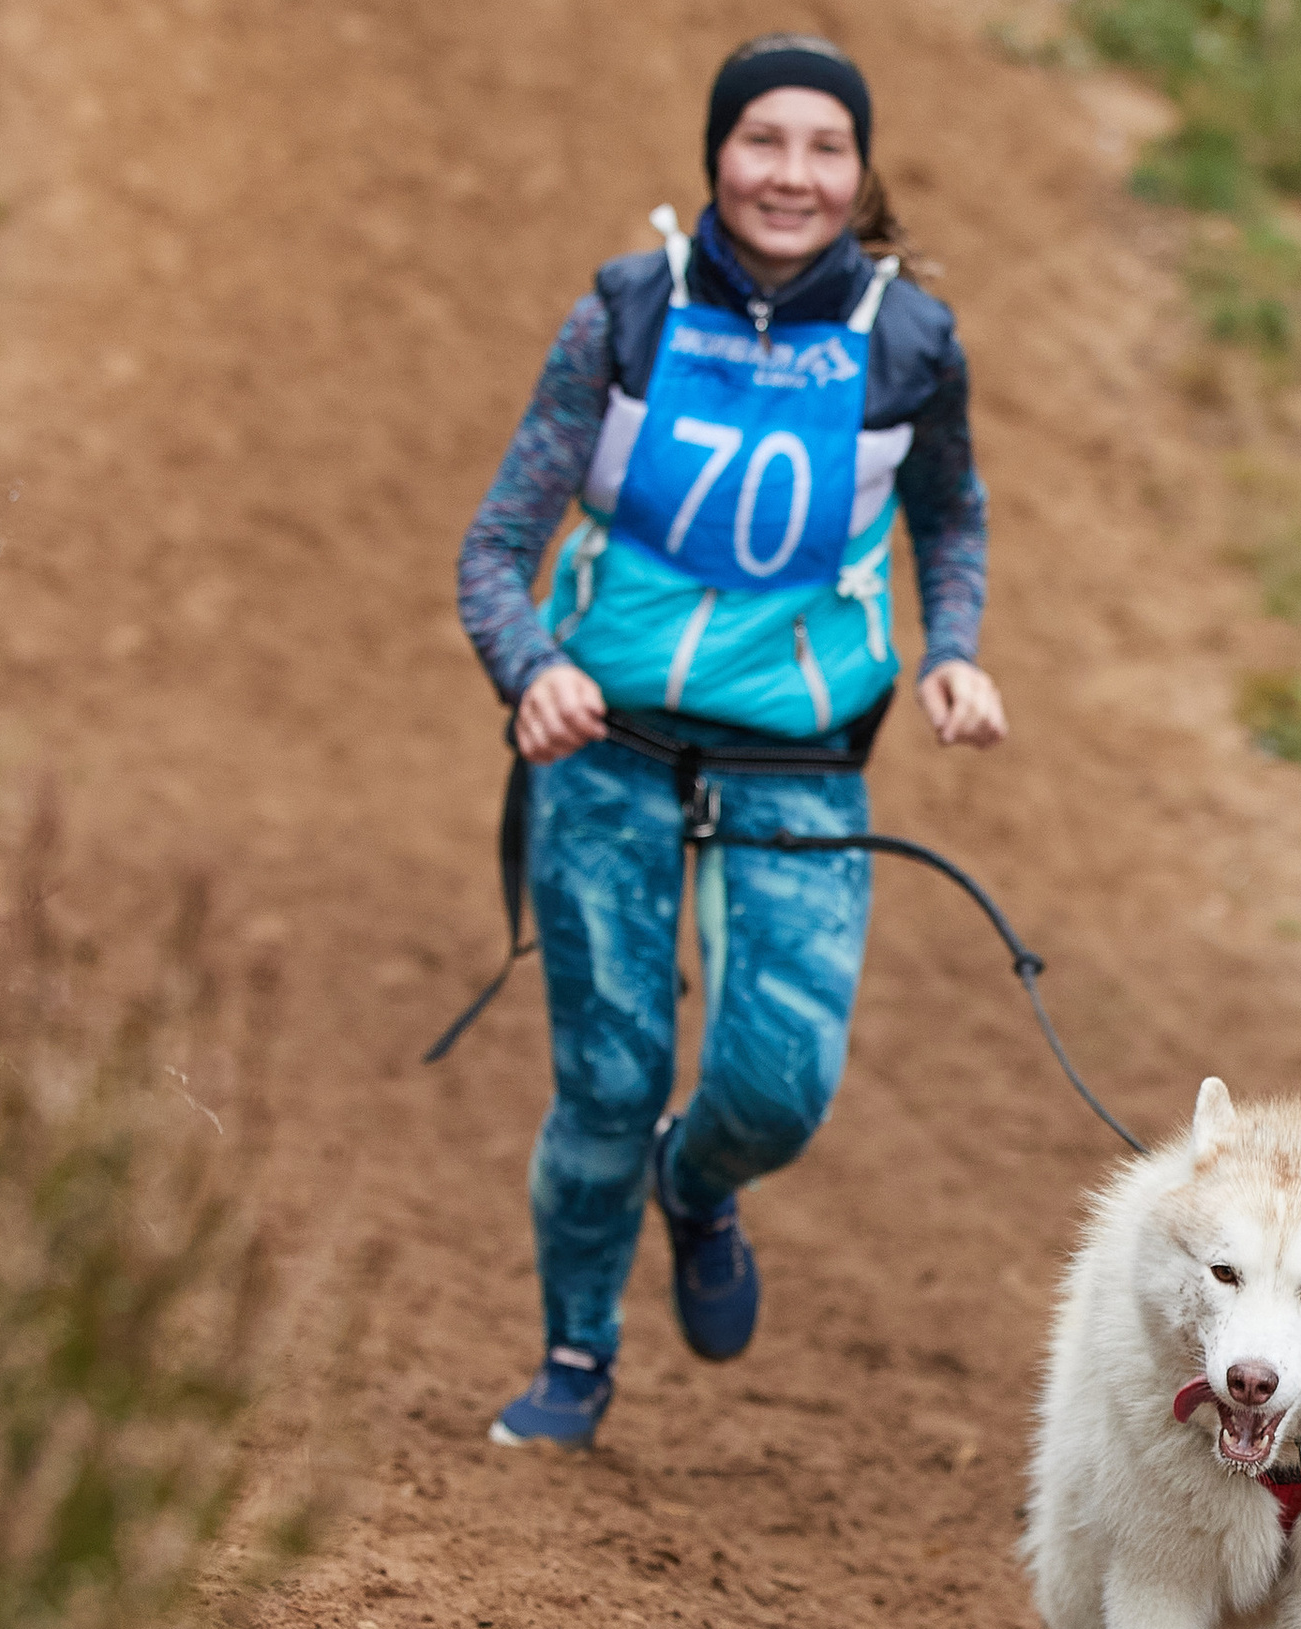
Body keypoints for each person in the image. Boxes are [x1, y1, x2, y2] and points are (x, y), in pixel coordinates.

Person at [457, 32, 1004, 1449]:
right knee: (608, 1081)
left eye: (826, 148)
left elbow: (949, 513)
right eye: (763, 140)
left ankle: (695, 1184)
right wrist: (532, 670)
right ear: (716, 153)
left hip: (798, 767)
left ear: (861, 173)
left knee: (778, 1090)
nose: (791, 175)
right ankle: (575, 1356)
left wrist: (951, 650)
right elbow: (496, 547)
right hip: (607, 754)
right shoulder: (623, 318)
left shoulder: (910, 344)